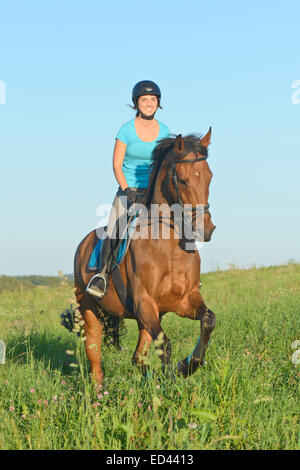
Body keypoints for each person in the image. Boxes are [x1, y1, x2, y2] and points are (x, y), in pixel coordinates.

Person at [86, 80, 170, 298]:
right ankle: (102, 275)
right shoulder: (126, 130)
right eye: (144, 100)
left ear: (158, 103)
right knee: (114, 228)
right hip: (129, 189)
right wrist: (126, 189)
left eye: (153, 100)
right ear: (136, 103)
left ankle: (186, 275)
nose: (149, 103)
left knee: (183, 224)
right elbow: (116, 164)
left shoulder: (165, 130)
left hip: (154, 191)